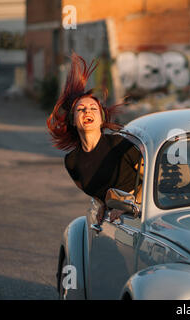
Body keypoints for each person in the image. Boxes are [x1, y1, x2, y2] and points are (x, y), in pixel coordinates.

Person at [47, 53, 143, 224]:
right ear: (73, 121)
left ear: (101, 118)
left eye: (93, 109)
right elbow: (97, 193)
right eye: (81, 109)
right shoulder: (72, 161)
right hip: (118, 224)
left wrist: (129, 202)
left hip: (142, 215)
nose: (87, 112)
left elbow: (154, 178)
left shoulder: (118, 144)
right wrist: (103, 204)